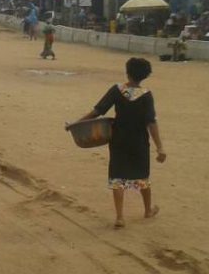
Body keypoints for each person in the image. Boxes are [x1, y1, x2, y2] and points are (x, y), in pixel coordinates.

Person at [69, 57, 166, 229]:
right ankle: (147, 210)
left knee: (117, 176)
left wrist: (76, 123)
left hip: (118, 138)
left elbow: (97, 111)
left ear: (127, 72)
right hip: (139, 141)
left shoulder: (116, 90)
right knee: (142, 174)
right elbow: (151, 123)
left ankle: (120, 217)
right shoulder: (147, 95)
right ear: (145, 76)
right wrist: (160, 147)